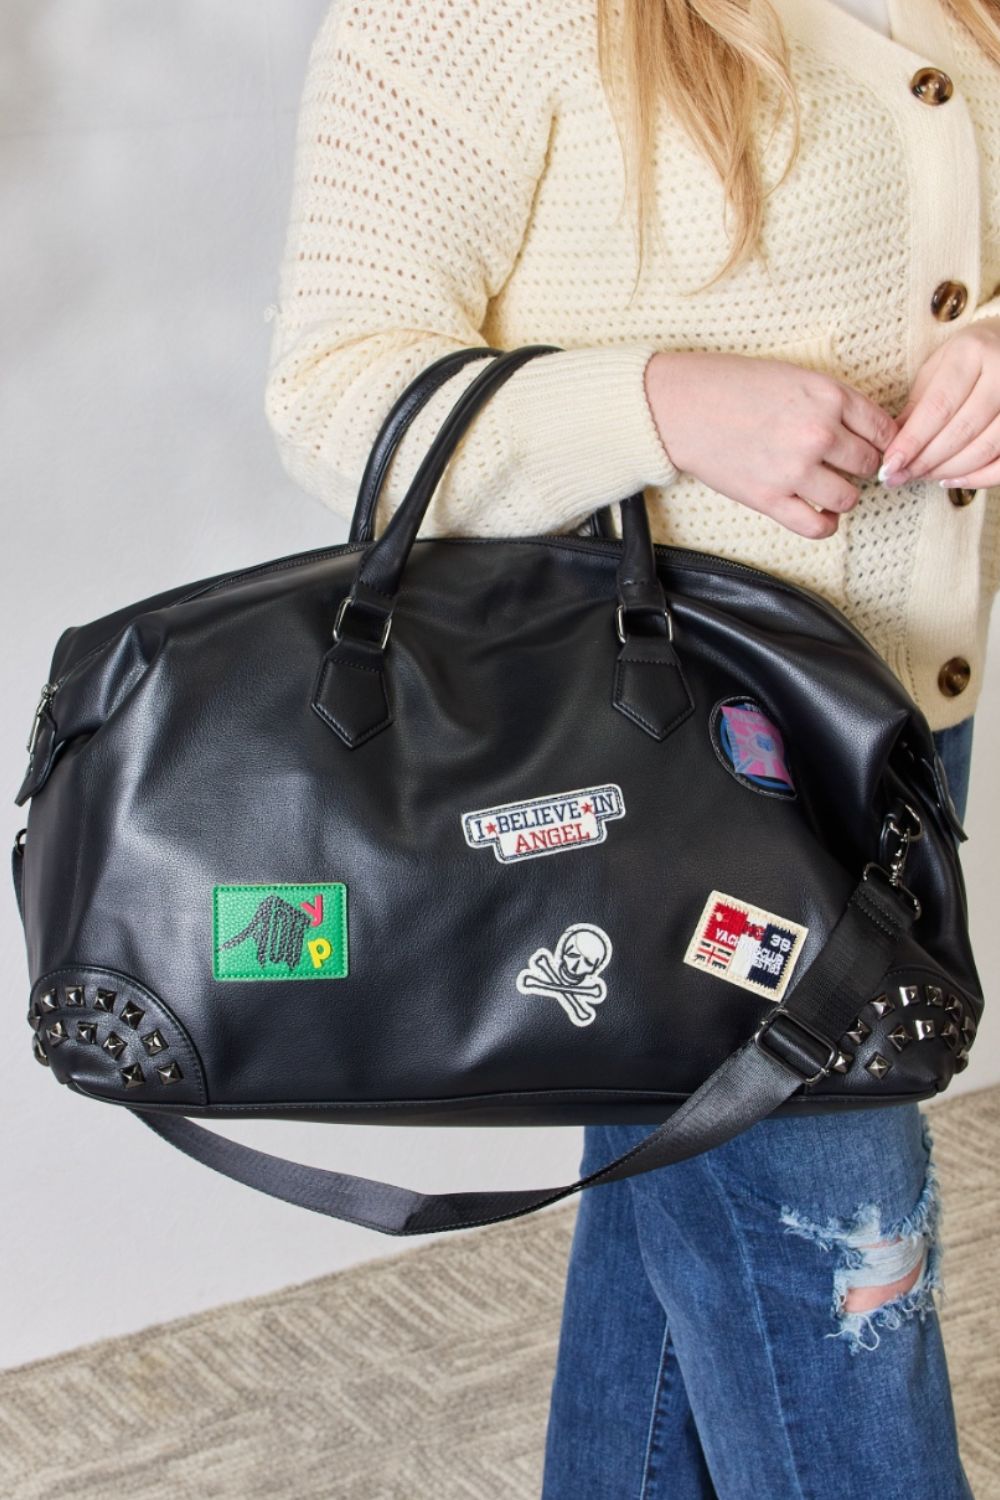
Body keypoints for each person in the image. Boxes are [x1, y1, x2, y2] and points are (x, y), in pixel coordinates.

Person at [264, 0, 997, 1492]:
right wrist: (660, 403)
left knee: (686, 1247)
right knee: (845, 1284)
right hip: (663, 792)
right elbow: (336, 392)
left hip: (895, 741)